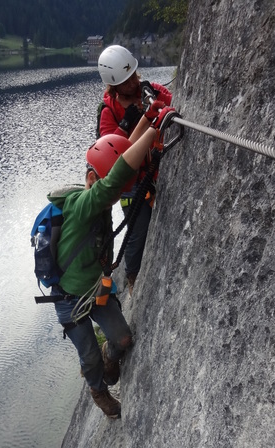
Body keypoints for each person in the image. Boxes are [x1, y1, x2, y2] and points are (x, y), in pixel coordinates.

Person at [49, 118, 169, 418]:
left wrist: (150, 119)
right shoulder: (83, 205)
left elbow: (120, 156)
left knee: (123, 340)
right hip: (70, 301)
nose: (115, 199)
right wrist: (155, 130)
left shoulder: (96, 200)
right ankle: (98, 390)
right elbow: (114, 179)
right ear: (91, 178)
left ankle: (109, 354)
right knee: (89, 358)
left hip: (95, 290)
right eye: (109, 191)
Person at [97, 44, 173, 293]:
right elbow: (112, 157)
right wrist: (128, 122)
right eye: (125, 80)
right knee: (137, 231)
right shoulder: (109, 111)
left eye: (133, 76)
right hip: (131, 184)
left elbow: (172, 102)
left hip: (154, 173)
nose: (132, 83)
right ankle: (132, 277)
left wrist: (158, 101)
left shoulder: (147, 91)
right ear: (113, 84)